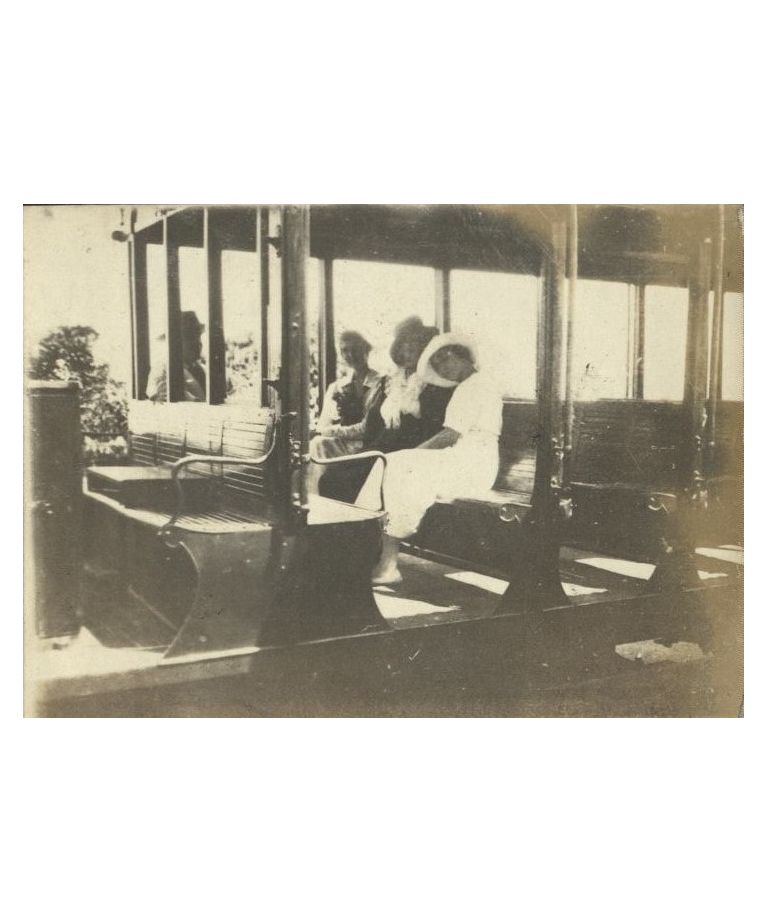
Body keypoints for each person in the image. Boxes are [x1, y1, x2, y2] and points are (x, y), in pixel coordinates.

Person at [369, 332, 503, 585]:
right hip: (462, 458)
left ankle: (388, 563)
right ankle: (381, 555)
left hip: (475, 462)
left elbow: (451, 435)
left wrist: (415, 453)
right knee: (392, 464)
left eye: (445, 358)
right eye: (437, 364)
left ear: (462, 356)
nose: (442, 367)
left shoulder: (479, 384)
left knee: (399, 464)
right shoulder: (467, 385)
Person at [317, 316, 453, 502]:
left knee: (344, 481)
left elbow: (436, 429)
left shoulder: (435, 385)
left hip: (410, 452)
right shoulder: (390, 383)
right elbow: (370, 426)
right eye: (403, 346)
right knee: (333, 476)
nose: (408, 351)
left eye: (414, 345)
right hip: (379, 448)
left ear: (425, 348)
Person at [308, 331, 382, 491]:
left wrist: (325, 432)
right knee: (316, 444)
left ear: (366, 349)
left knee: (318, 444)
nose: (351, 355)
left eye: (356, 349)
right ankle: (314, 497)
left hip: (366, 445)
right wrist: (322, 431)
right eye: (345, 350)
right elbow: (324, 425)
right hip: (342, 443)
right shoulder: (336, 387)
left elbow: (367, 429)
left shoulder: (380, 383)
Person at [147, 311, 207, 402]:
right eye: (190, 337)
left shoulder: (198, 369)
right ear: (175, 342)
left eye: (198, 336)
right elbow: (164, 398)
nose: (198, 343)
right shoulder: (164, 368)